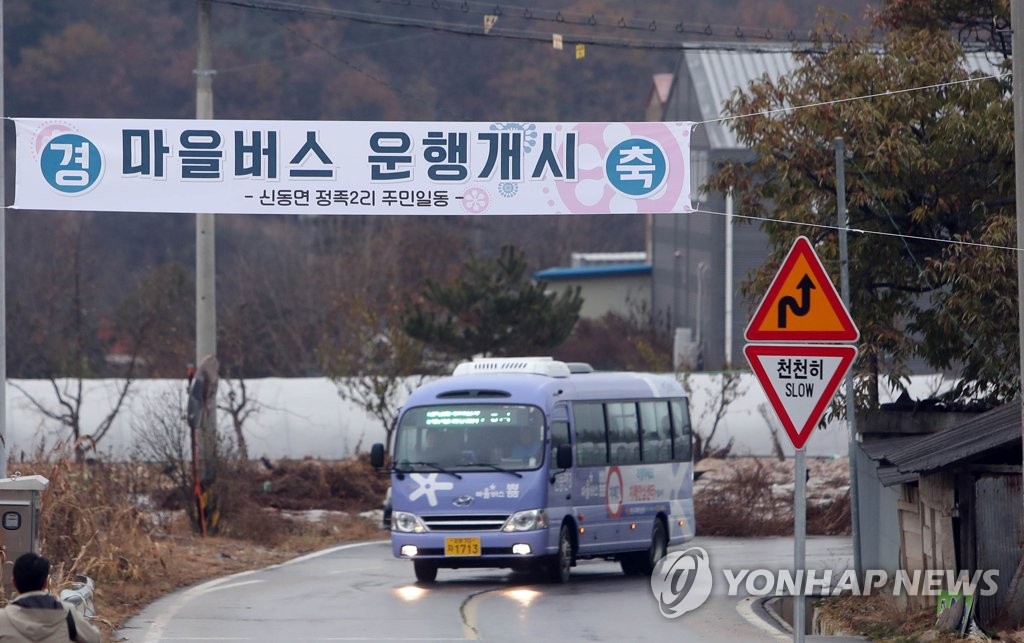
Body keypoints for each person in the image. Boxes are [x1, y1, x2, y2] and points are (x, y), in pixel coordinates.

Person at [0, 552, 101, 643]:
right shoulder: (67, 614)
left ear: (14, 582)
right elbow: (94, 639)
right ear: (46, 583)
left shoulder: (2, 619)